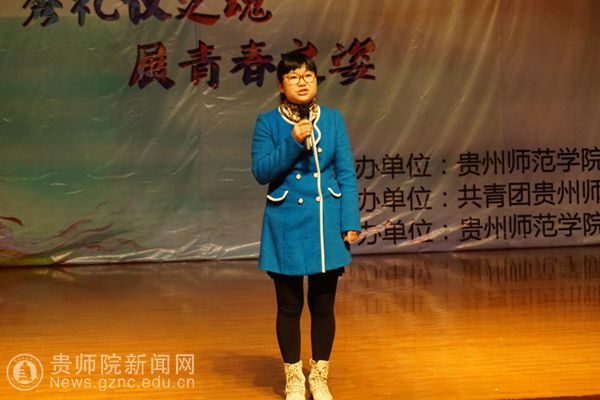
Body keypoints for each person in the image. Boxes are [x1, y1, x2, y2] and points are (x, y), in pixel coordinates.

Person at [251, 52, 361, 400]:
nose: (302, 82)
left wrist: (350, 220)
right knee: (289, 307)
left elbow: (346, 173)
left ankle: (319, 376)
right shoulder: (268, 123)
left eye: (308, 75)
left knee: (323, 306)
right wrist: (293, 141)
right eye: (294, 77)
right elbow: (261, 172)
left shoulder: (333, 119)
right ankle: (294, 378)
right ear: (281, 85)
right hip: (285, 222)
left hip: (325, 220)